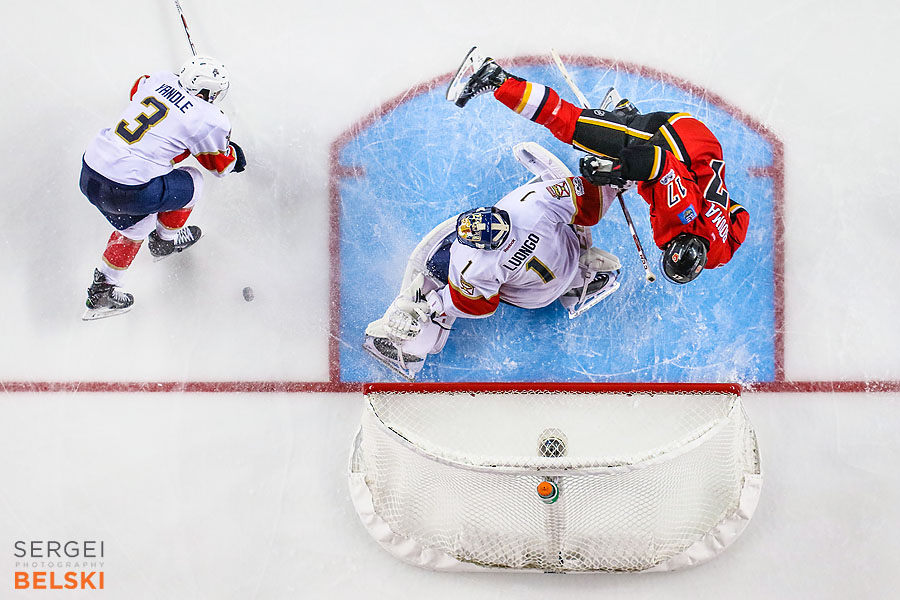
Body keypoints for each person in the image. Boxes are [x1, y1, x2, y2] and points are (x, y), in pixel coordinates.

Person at [447, 48, 749, 284]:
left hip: (703, 153)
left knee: (632, 161)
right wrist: (617, 170)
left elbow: (738, 213)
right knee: (571, 125)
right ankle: (494, 77)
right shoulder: (682, 214)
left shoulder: (719, 254)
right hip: (678, 139)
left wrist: (702, 188)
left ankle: (625, 118)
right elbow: (658, 162)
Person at [364, 142, 622, 380]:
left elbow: (480, 307)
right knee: (559, 216)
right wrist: (615, 173)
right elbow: (591, 203)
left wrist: (436, 303)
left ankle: (415, 345)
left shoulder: (473, 263)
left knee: (436, 264)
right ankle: (579, 282)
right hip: (571, 255)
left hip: (535, 297)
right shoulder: (529, 203)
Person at [79, 55, 246, 320]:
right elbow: (220, 166)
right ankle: (164, 242)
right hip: (127, 188)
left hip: (90, 173)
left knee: (138, 224)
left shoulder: (156, 80)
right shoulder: (207, 118)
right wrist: (234, 154)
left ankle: (103, 290)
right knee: (193, 182)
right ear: (207, 92)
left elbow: (137, 90)